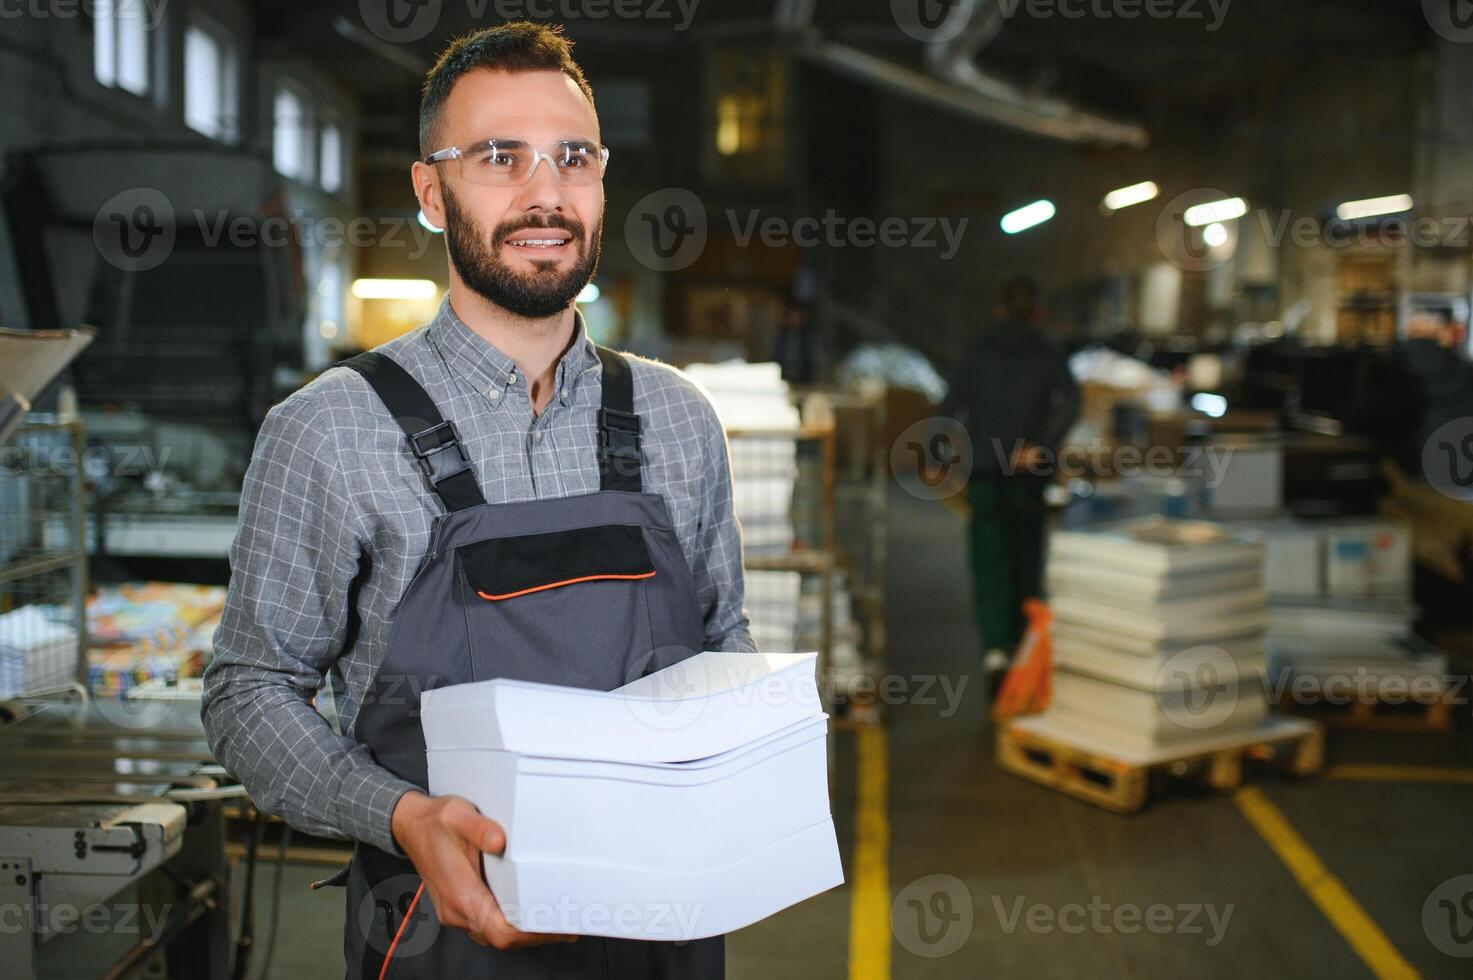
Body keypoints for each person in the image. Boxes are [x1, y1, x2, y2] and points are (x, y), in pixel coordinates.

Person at [201, 23, 753, 978]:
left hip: (662, 932)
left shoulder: (676, 418)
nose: (545, 193)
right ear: (431, 190)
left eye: (572, 158)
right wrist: (401, 817)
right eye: (499, 157)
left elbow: (721, 641)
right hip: (434, 936)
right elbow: (248, 691)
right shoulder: (329, 430)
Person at [939, 276, 1079, 694]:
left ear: (999, 309)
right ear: (1037, 311)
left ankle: (995, 648)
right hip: (1027, 476)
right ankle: (1025, 642)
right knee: (1026, 557)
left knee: (989, 560)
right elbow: (1070, 402)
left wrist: (952, 455)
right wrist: (1040, 445)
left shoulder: (976, 354)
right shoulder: (1047, 353)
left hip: (984, 472)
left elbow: (948, 412)